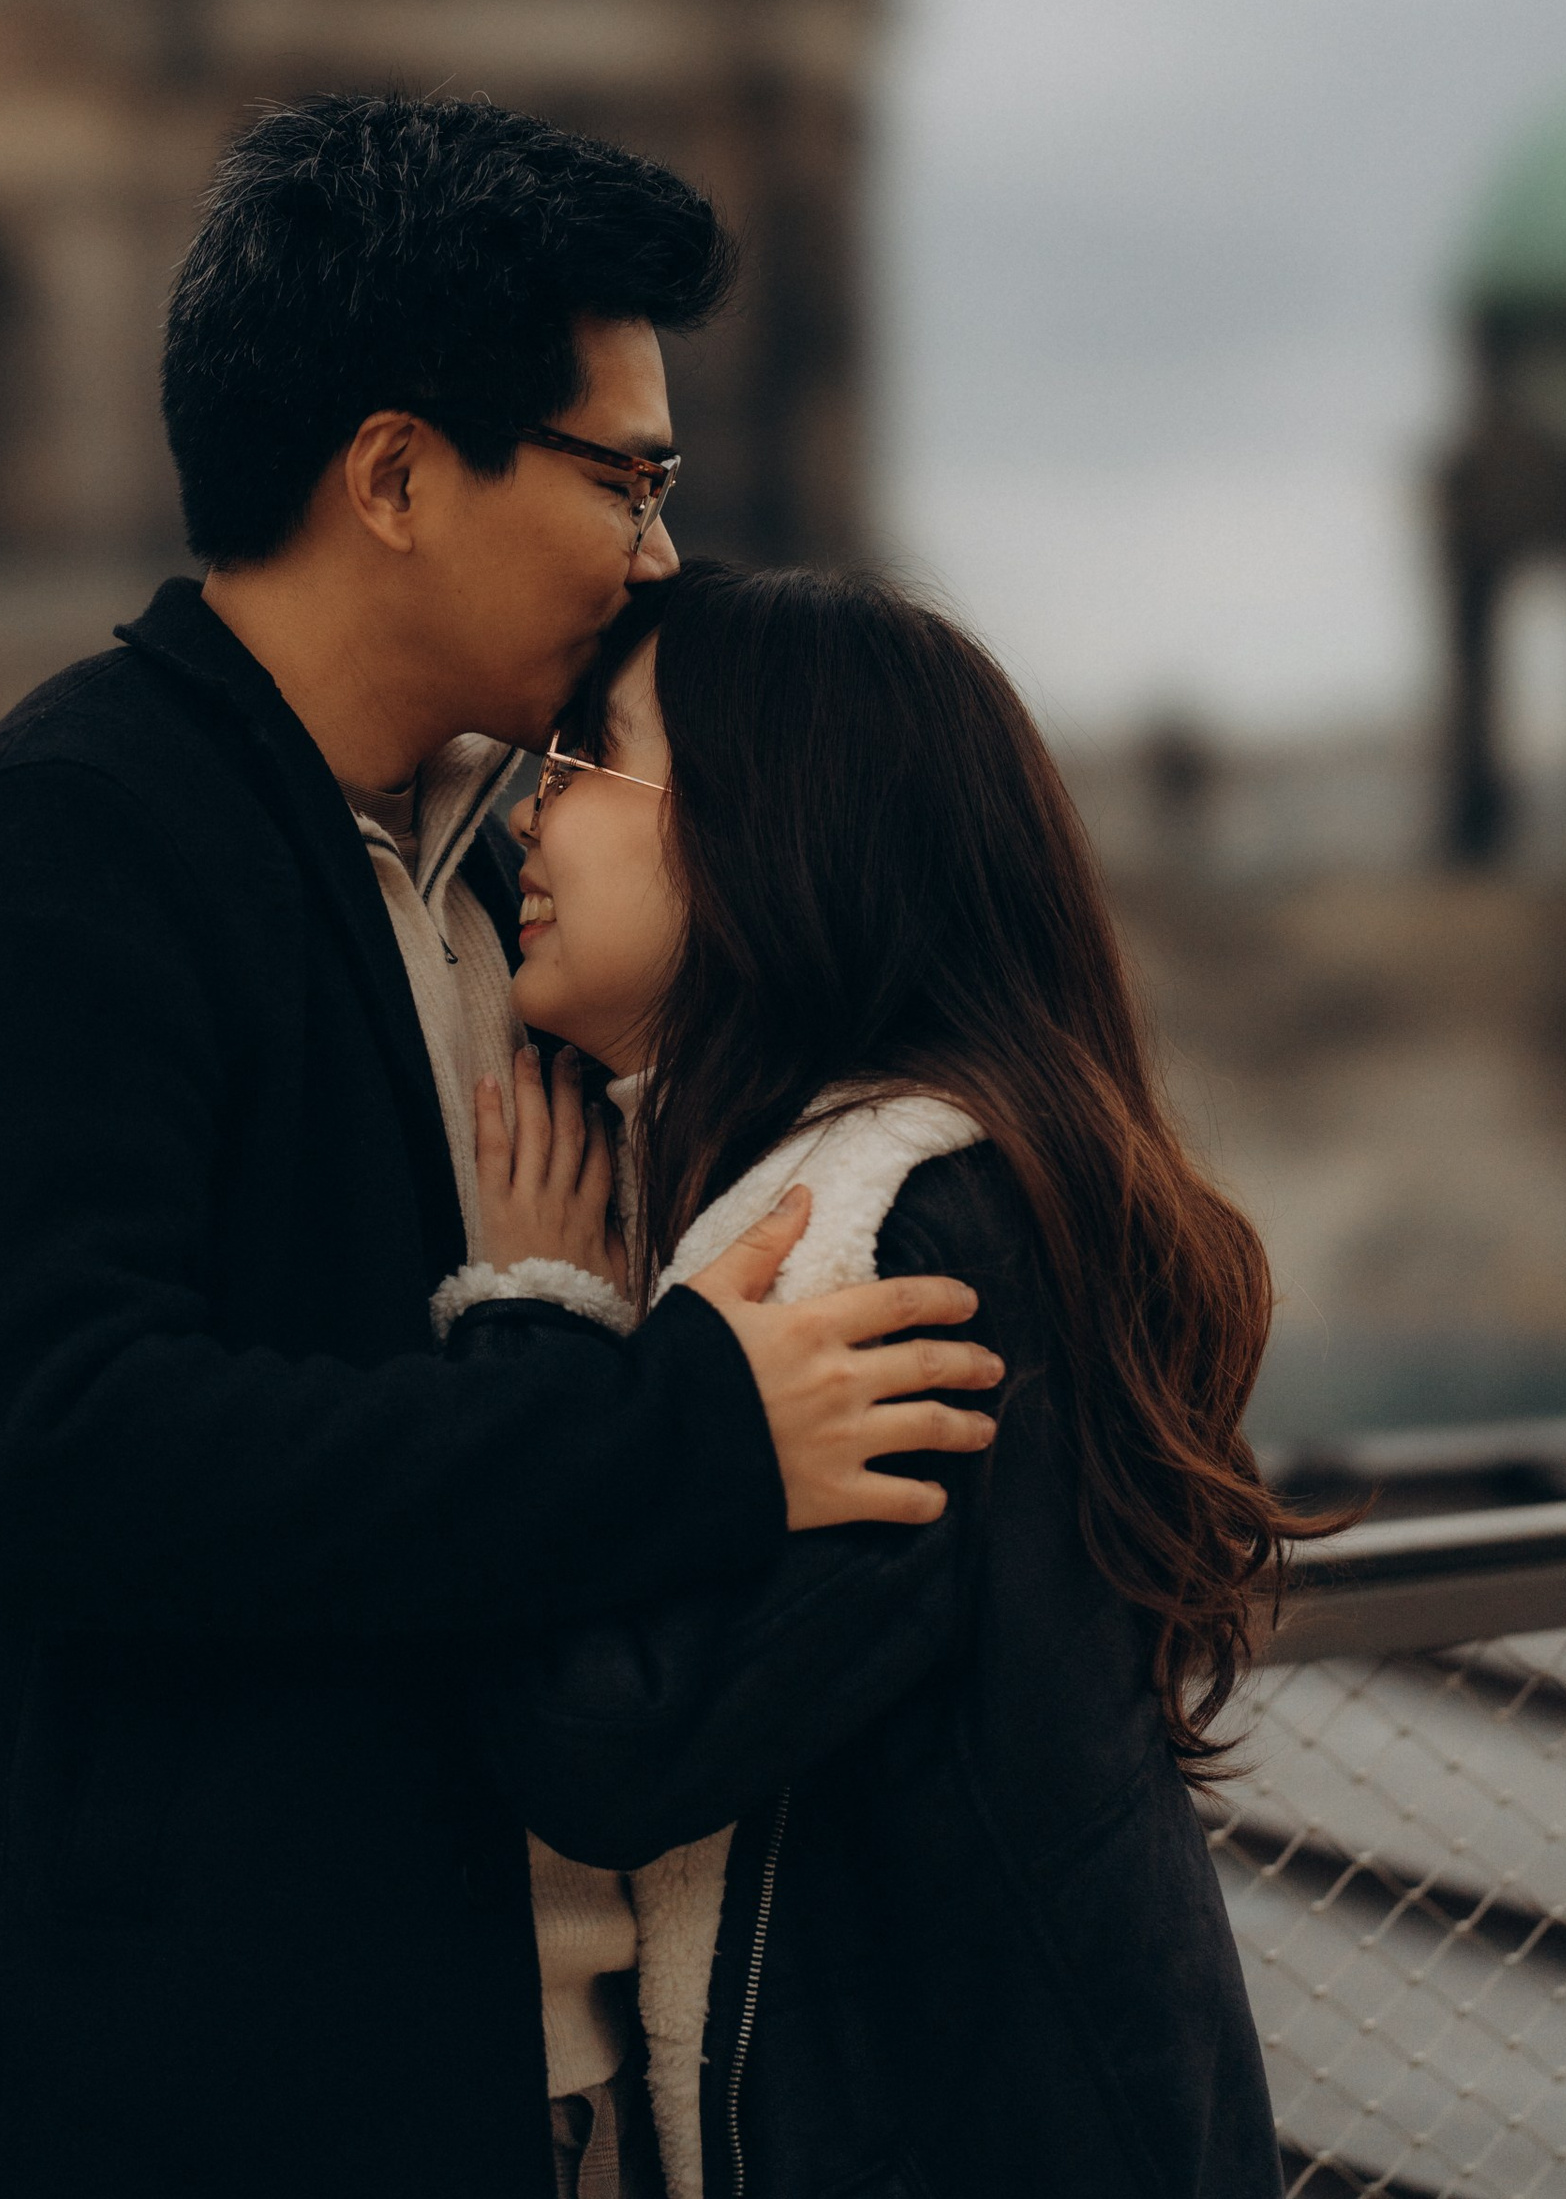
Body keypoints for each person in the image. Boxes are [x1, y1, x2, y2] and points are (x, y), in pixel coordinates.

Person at [0, 98, 1004, 2199]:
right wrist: (685, 1435)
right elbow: (62, 1452)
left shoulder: (511, 872)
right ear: (397, 475)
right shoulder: (57, 848)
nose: (659, 553)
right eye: (623, 479)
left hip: (533, 2084)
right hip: (205, 2115)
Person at [439, 561, 1300, 2199]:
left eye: (589, 754)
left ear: (771, 824)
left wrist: (537, 1320)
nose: (529, 816)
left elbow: (614, 1746)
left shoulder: (885, 1235)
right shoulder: (949, 1185)